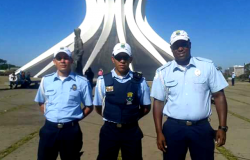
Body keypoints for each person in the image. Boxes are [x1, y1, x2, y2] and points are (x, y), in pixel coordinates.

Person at [151, 30, 228, 160]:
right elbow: (158, 103)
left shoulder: (206, 67)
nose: (180, 48)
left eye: (183, 44)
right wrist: (159, 132)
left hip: (201, 128)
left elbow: (219, 96)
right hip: (173, 129)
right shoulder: (163, 72)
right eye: (176, 46)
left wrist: (222, 127)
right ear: (171, 49)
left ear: (190, 45)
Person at [93, 43, 151, 160]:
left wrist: (130, 117)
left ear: (130, 59)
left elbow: (146, 107)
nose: (122, 61)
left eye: (125, 57)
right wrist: (112, 116)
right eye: (119, 57)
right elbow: (98, 107)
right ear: (113, 59)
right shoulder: (103, 81)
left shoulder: (140, 81)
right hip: (110, 130)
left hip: (131, 130)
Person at [34, 47, 93, 160]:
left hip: (70, 131)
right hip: (49, 129)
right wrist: (49, 115)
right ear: (54, 62)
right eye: (59, 58)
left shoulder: (82, 82)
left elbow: (89, 106)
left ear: (71, 61)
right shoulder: (46, 80)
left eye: (66, 58)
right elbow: (41, 101)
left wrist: (76, 118)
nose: (62, 61)